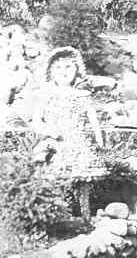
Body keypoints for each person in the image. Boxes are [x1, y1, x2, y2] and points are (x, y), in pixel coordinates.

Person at [32, 46, 107, 220]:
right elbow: (36, 119)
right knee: (56, 179)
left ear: (77, 70)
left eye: (68, 67)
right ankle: (59, 215)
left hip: (79, 142)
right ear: (51, 72)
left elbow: (93, 118)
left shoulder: (82, 95)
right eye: (58, 68)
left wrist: (98, 138)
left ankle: (85, 215)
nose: (63, 72)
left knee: (83, 182)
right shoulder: (47, 94)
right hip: (57, 143)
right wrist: (49, 131)